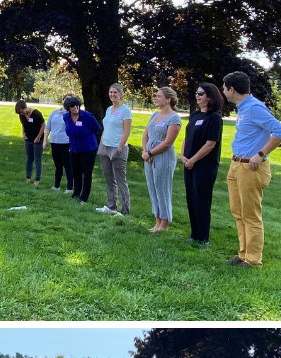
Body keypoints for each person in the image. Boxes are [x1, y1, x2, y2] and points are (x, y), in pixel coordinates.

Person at [222, 72, 281, 268]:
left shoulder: (254, 108)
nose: (223, 91)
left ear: (231, 89)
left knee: (251, 215)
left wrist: (261, 154)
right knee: (238, 212)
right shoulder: (244, 108)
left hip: (250, 168)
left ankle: (253, 260)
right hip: (236, 165)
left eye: (224, 88)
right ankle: (243, 254)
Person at [180, 83, 225, 246]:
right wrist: (183, 155)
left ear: (210, 96)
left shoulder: (214, 118)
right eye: (196, 92)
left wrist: (193, 160)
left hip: (204, 166)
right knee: (191, 199)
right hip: (189, 163)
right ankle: (194, 234)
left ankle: (203, 238)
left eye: (201, 93)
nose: (197, 95)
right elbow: (187, 137)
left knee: (202, 200)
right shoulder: (194, 115)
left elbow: (210, 143)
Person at [141, 87, 183, 232]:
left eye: (159, 96)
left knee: (162, 189)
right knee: (152, 188)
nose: (156, 98)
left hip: (163, 157)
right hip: (149, 157)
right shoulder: (155, 115)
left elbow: (167, 142)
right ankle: (157, 222)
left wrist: (150, 152)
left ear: (168, 99)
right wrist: (145, 152)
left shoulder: (174, 119)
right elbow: (145, 134)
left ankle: (164, 224)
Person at [95, 83, 133, 216]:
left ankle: (124, 210)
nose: (112, 95)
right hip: (104, 147)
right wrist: (101, 144)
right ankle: (111, 206)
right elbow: (106, 128)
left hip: (118, 148)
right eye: (111, 92)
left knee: (120, 180)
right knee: (109, 179)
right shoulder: (108, 109)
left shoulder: (125, 110)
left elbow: (127, 132)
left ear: (121, 94)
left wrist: (119, 148)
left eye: (115, 92)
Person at [63, 95, 101, 203]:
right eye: (72, 106)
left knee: (87, 173)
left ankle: (84, 197)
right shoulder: (66, 117)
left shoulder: (87, 116)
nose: (75, 107)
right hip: (74, 148)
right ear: (68, 108)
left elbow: (97, 128)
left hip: (88, 148)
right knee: (76, 172)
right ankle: (76, 193)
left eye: (77, 105)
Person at [43, 103, 73, 192]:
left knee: (67, 165)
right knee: (58, 165)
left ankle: (69, 187)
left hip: (65, 143)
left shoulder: (71, 114)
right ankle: (57, 185)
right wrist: (45, 140)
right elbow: (48, 127)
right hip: (54, 142)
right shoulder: (54, 113)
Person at [15, 100, 45, 185]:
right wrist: (23, 133)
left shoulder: (36, 114)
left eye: (21, 111)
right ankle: (28, 177)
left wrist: (38, 137)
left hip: (37, 140)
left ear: (25, 107)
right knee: (29, 159)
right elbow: (23, 124)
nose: (21, 114)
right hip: (28, 140)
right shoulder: (22, 115)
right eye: (19, 113)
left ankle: (37, 179)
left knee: (37, 160)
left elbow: (43, 125)